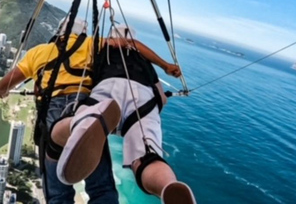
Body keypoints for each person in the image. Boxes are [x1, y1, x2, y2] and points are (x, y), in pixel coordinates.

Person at [51, 24, 196, 204]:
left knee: (76, 121)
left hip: (109, 87)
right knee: (146, 157)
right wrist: (165, 67)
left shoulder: (100, 48)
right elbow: (161, 97)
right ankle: (167, 186)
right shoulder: (144, 62)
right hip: (143, 97)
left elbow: (85, 77)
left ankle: (81, 124)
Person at [0, 17, 118, 204]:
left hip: (52, 113)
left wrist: (4, 93)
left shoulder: (38, 52)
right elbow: (122, 44)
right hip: (86, 108)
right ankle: (78, 125)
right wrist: (166, 67)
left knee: (58, 194)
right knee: (101, 188)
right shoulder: (92, 44)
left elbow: (2, 85)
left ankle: (69, 127)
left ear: (59, 31)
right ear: (82, 32)